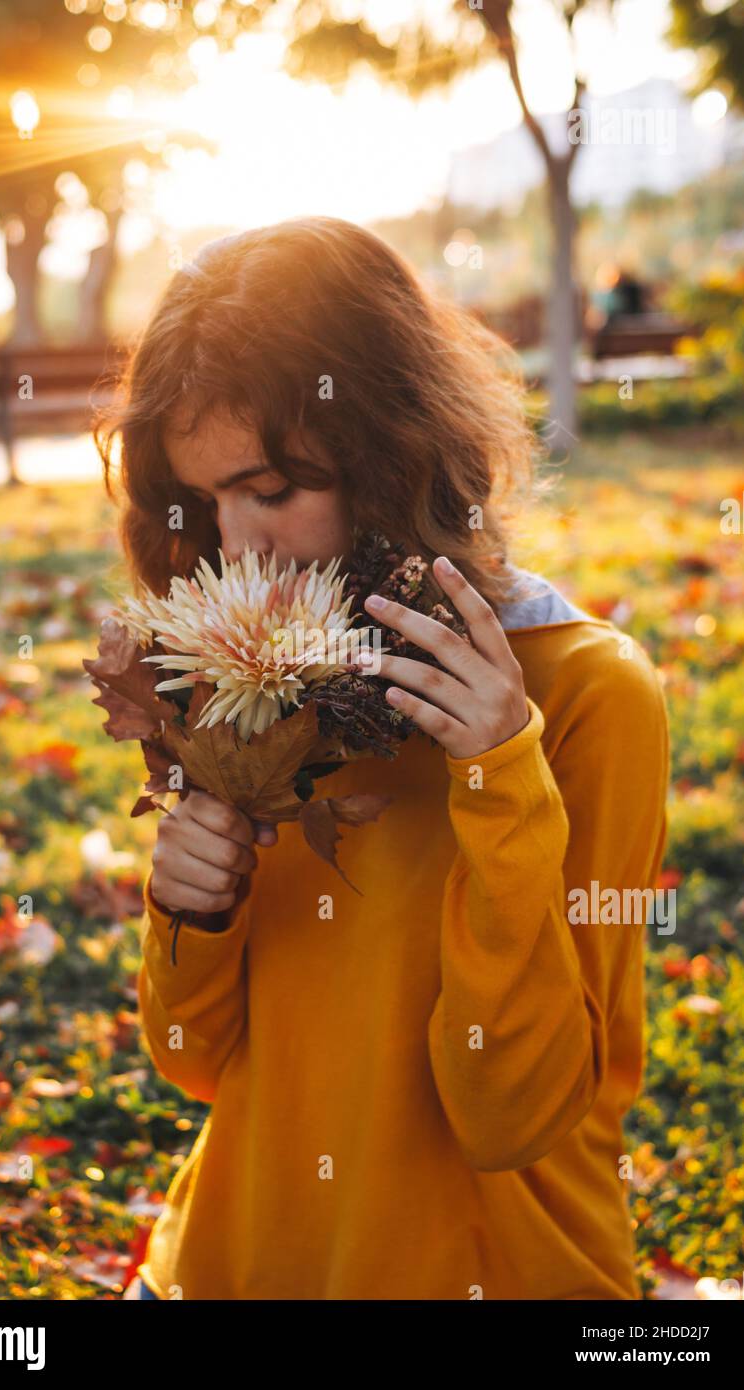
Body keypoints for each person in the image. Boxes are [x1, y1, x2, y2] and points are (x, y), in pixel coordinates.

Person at [96, 216, 670, 1301]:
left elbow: (515, 1110)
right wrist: (191, 918)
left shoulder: (590, 696)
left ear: (393, 447)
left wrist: (502, 778)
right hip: (248, 1254)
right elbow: (194, 1061)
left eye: (273, 490)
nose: (239, 546)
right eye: (210, 498)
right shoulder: (244, 666)